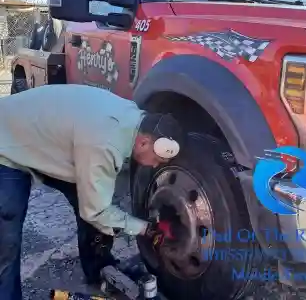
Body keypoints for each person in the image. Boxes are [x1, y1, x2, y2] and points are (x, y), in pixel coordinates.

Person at [0, 84, 185, 300]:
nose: (154, 166)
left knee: (94, 197)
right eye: (157, 160)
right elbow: (96, 212)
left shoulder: (133, 117)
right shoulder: (105, 144)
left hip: (50, 140)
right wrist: (145, 229)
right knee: (6, 234)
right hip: (6, 141)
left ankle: (99, 270)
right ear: (144, 142)